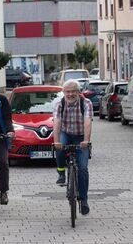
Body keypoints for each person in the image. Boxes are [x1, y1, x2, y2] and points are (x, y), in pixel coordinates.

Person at [53, 79, 93, 215]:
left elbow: (88, 122)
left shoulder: (86, 103)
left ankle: (84, 200)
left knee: (82, 168)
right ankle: (61, 173)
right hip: (66, 133)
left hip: (81, 136)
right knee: (59, 147)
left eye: (73, 91)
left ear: (78, 92)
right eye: (67, 91)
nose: (70, 94)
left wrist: (86, 140)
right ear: (63, 92)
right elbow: (57, 122)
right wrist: (56, 141)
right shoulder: (60, 104)